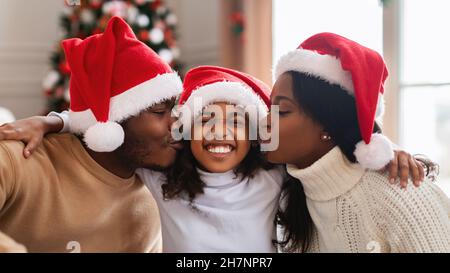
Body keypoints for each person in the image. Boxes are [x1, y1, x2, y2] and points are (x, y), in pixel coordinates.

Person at [3, 64, 431, 253]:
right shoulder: (161, 177)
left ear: (257, 136)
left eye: (237, 123)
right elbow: (109, 126)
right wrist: (52, 121)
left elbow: (328, 144)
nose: (221, 134)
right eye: (207, 119)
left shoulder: (275, 175)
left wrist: (385, 148)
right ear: (185, 130)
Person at [0, 17, 183, 252]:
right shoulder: (19, 158)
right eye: (159, 111)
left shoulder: (154, 195)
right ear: (111, 123)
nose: (178, 124)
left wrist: (53, 121)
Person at [268, 32, 450, 252]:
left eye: (283, 111)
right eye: (270, 109)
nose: (265, 121)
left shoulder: (400, 193)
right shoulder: (290, 196)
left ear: (327, 124)